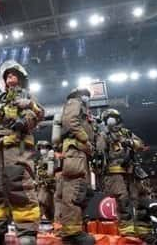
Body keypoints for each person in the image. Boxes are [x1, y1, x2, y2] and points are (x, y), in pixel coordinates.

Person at [0, 60, 44, 245]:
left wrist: (26, 118)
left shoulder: (28, 96)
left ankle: (27, 232)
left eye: (14, 75)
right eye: (8, 75)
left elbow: (39, 113)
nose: (10, 77)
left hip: (17, 145)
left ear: (20, 79)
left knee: (19, 185)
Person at [98, 108, 150, 239]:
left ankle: (144, 231)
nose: (110, 119)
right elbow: (99, 152)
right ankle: (128, 232)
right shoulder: (103, 135)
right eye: (107, 117)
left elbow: (141, 145)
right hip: (114, 174)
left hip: (132, 172)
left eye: (112, 116)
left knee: (141, 199)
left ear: (118, 119)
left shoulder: (126, 133)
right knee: (123, 201)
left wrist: (130, 142)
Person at [59, 88, 96, 245]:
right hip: (75, 152)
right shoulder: (74, 103)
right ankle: (71, 233)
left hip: (81, 154)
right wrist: (86, 140)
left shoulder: (83, 110)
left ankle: (75, 230)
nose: (87, 98)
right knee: (73, 190)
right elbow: (70, 121)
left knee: (80, 191)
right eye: (85, 95)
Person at [35, 140, 55, 222]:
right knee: (46, 208)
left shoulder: (52, 159)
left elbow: (52, 174)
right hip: (41, 186)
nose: (42, 150)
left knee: (45, 206)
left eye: (44, 148)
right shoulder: (40, 160)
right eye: (40, 148)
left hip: (49, 187)